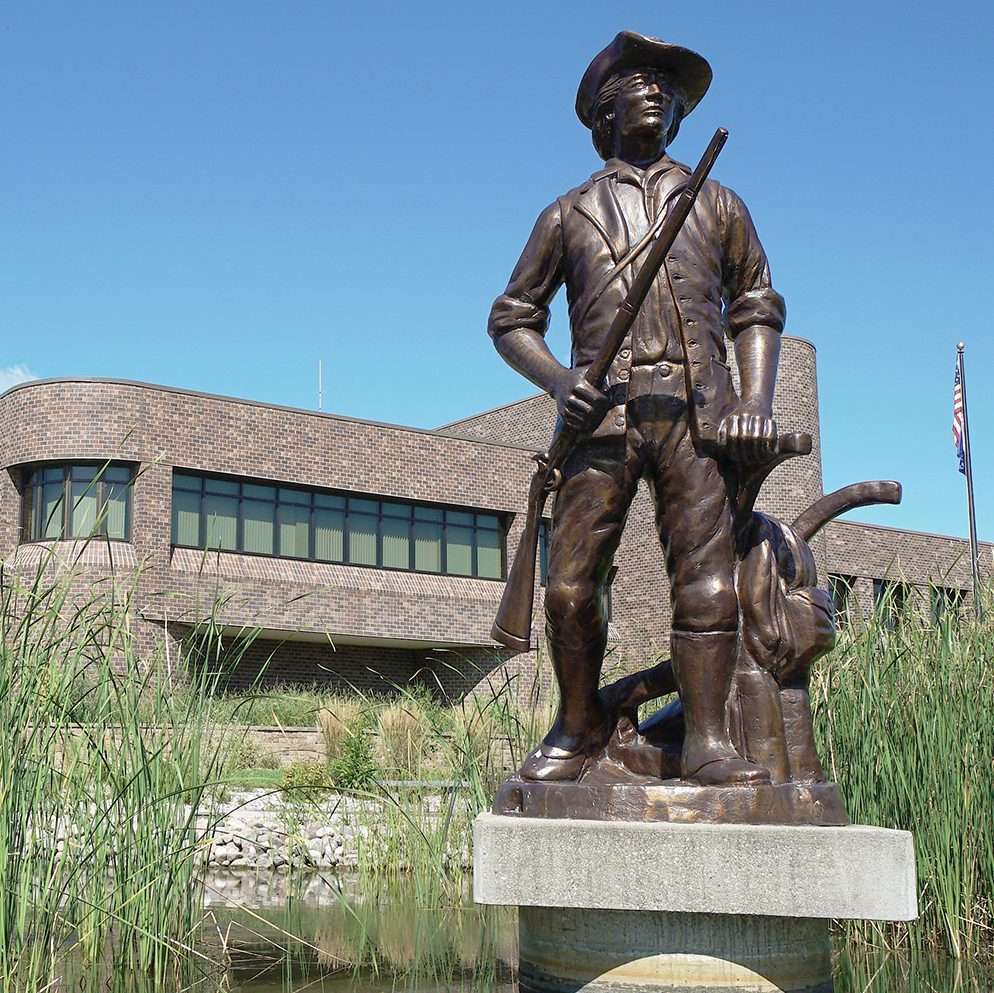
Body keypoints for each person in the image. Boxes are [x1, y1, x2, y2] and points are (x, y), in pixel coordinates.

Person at [488, 31, 786, 785]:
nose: (657, 91)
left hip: (697, 412)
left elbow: (756, 306)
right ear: (602, 110)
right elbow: (511, 317)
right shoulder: (568, 213)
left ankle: (710, 740)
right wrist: (561, 383)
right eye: (639, 80)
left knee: (706, 579)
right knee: (568, 587)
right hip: (601, 420)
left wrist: (754, 399)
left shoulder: (716, 201)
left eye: (666, 84)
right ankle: (580, 720)